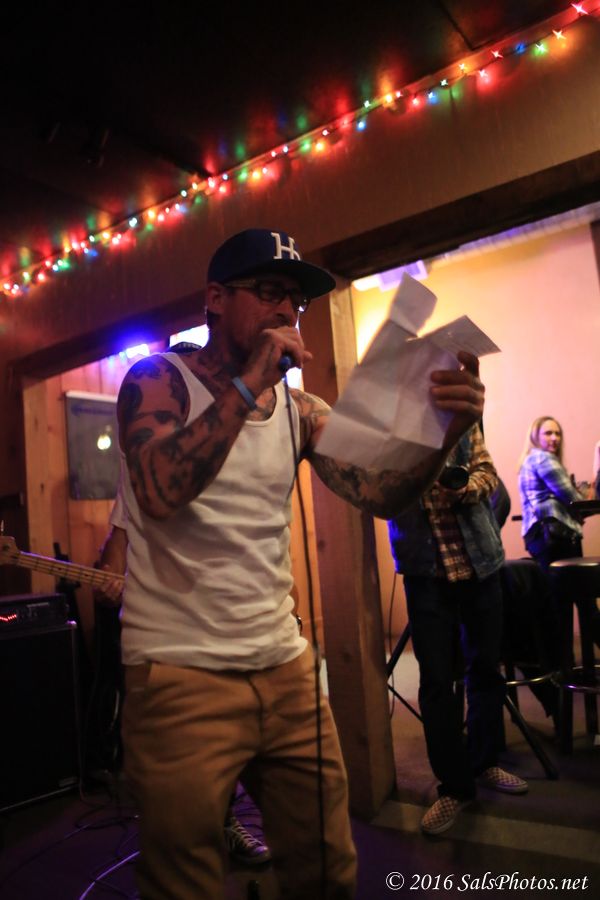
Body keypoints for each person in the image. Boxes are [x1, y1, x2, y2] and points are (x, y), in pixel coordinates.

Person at [115, 227, 486, 899]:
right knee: (183, 883)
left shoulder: (301, 410)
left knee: (327, 865)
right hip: (177, 673)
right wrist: (250, 381)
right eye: (268, 292)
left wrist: (445, 436)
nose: (287, 310)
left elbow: (379, 493)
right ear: (216, 299)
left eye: (296, 299)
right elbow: (159, 491)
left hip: (284, 667)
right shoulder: (156, 380)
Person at [387, 424, 528, 837]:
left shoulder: (460, 422)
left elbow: (488, 474)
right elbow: (379, 495)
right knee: (435, 682)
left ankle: (484, 762)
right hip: (424, 571)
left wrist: (463, 488)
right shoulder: (389, 434)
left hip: (480, 561)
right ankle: (454, 786)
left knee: (485, 668)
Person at [517, 416, 584, 572]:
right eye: (548, 433)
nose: (554, 438)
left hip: (536, 534)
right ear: (535, 436)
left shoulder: (529, 459)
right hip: (553, 533)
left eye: (557, 433)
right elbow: (573, 498)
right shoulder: (543, 458)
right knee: (569, 584)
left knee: (550, 583)